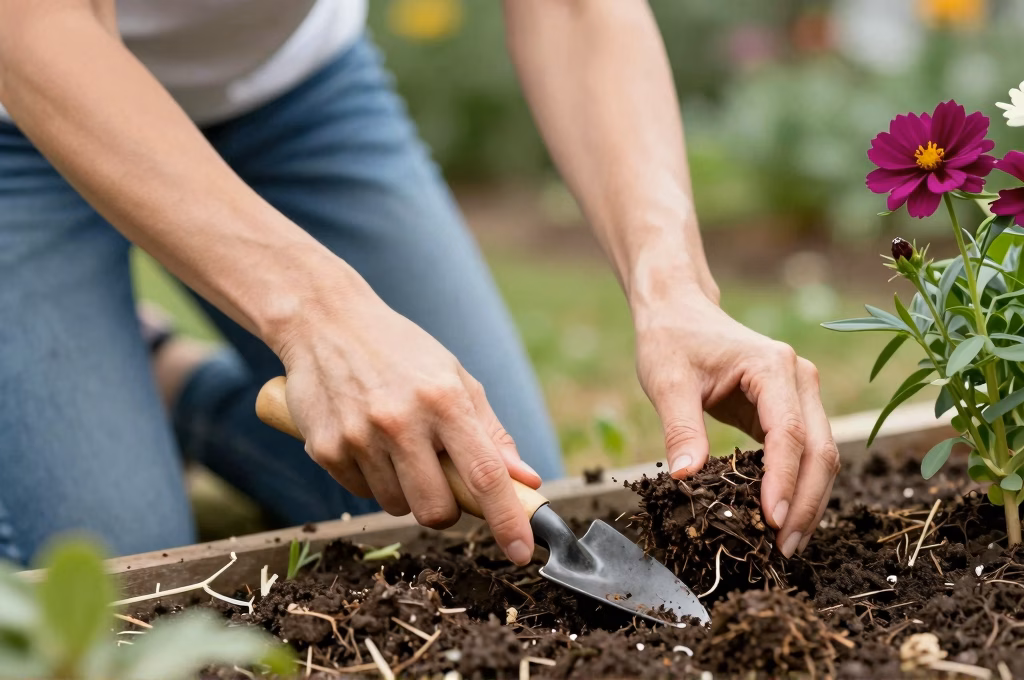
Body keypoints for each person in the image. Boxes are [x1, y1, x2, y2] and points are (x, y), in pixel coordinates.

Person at [0, 0, 839, 567]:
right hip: (26, 93)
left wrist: (674, 286)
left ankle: (166, 379)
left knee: (494, 496)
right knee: (108, 571)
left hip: (289, 88)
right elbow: (37, 25)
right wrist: (324, 315)